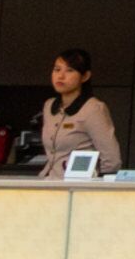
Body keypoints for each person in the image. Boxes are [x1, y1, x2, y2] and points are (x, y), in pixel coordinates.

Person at [36, 49, 121, 177]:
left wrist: (100, 186)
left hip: (79, 186)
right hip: (50, 181)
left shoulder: (93, 108)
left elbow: (111, 158)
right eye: (57, 69)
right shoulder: (49, 106)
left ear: (85, 76)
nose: (61, 76)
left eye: (70, 70)